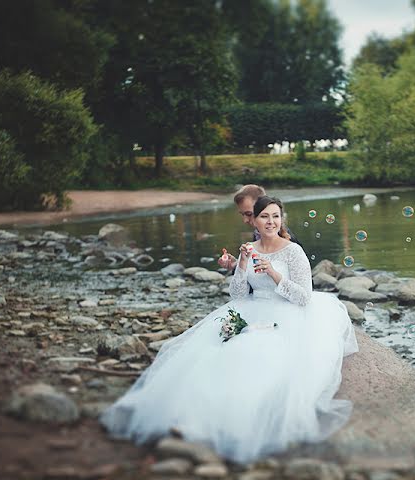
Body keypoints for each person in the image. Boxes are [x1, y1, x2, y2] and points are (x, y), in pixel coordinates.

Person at [101, 196, 358, 464]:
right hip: (251, 310)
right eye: (264, 217)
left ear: (281, 219)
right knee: (211, 355)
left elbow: (305, 297)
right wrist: (242, 265)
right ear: (254, 221)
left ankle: (237, 423)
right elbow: (237, 296)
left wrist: (273, 273)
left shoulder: (293, 251)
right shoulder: (250, 247)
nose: (270, 222)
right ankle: (191, 419)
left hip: (287, 313)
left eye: (275, 216)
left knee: (255, 356)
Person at [218, 184, 300, 271]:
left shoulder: (287, 241)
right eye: (242, 214)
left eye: (249, 214)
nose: (245, 220)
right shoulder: (257, 234)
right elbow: (258, 273)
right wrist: (237, 265)